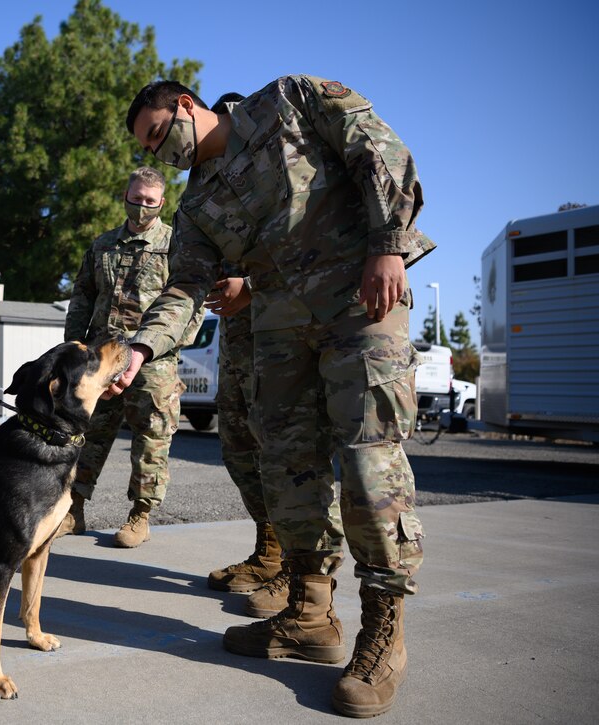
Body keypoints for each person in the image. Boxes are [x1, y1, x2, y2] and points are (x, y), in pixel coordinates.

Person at [119, 77, 433, 718]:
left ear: (185, 106)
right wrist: (142, 349)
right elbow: (183, 290)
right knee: (288, 469)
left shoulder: (286, 101)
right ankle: (311, 614)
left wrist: (388, 244)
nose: (163, 153)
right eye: (151, 149)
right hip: (279, 331)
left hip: (358, 302)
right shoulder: (196, 206)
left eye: (159, 134)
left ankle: (384, 630)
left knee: (370, 463)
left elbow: (376, 148)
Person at [58, 167, 202, 548]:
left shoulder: (176, 246)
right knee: (86, 435)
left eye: (149, 202)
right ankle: (74, 510)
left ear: (162, 203)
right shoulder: (102, 245)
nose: (141, 208)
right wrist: (74, 347)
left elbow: (192, 304)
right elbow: (82, 297)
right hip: (102, 359)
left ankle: (140, 515)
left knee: (152, 436)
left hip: (154, 360)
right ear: (126, 195)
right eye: (135, 199)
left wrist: (173, 344)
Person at [207, 271, 344, 622]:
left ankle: (305, 579)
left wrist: (253, 284)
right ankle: (270, 553)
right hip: (235, 341)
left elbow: (303, 247)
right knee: (239, 450)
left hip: (286, 333)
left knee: (292, 459)